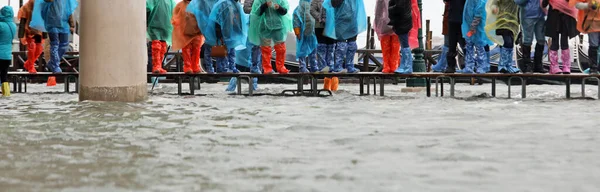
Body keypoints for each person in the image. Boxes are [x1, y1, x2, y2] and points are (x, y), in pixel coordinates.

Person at [29, 0, 77, 74]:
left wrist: (72, 25)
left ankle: (52, 63)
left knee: (64, 45)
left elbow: (68, 11)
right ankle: (55, 66)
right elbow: (43, 11)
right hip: (52, 25)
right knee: (54, 44)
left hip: (63, 25)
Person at [249, 0, 293, 74]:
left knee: (281, 49)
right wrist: (265, 5)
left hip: (278, 26)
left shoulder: (280, 0)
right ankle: (267, 69)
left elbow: (285, 11)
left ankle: (281, 67)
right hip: (264, 27)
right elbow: (256, 12)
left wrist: (279, 8)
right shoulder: (260, 1)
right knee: (265, 49)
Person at [323, 0, 367, 74]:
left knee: (352, 45)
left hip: (352, 21)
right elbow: (333, 4)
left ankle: (350, 66)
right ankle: (338, 67)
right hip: (341, 21)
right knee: (341, 46)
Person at [542, 0, 578, 74]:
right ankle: (554, 66)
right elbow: (544, 4)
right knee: (554, 42)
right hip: (554, 18)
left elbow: (572, 2)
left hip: (565, 18)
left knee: (564, 42)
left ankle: (566, 66)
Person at [485, 0, 520, 73]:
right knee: (507, 42)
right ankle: (502, 65)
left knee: (510, 42)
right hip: (502, 21)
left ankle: (508, 65)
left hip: (513, 22)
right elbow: (494, 3)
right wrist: (494, 8)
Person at [311, 0, 338, 90]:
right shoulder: (315, 1)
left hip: (332, 27)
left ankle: (333, 86)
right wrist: (320, 18)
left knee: (331, 49)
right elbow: (312, 10)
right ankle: (323, 68)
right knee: (322, 48)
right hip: (320, 27)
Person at [172, 0, 204, 74]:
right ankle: (188, 67)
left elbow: (202, 17)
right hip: (185, 33)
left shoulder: (198, 4)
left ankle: (195, 66)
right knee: (186, 50)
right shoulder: (180, 5)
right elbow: (175, 17)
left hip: (197, 32)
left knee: (196, 50)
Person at [459, 0, 492, 73]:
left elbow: (479, 13)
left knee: (479, 46)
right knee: (469, 46)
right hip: (468, 26)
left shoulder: (481, 1)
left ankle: (482, 66)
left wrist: (473, 26)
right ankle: (469, 67)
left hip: (477, 27)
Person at [515, 0, 547, 73]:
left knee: (541, 39)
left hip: (541, 15)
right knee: (527, 39)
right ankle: (527, 65)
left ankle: (538, 65)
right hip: (527, 15)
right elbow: (517, 1)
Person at [187, 0, 219, 73]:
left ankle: (211, 68)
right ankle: (213, 68)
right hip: (208, 29)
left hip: (205, 30)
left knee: (209, 49)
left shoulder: (197, 4)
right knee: (210, 49)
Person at [572, 0, 600, 74]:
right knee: (593, 46)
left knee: (594, 46)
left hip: (592, 24)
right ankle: (593, 68)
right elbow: (577, 4)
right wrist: (588, 6)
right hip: (592, 24)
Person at [147, 0, 175, 74]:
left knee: (163, 47)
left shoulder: (171, 1)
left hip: (165, 26)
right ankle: (156, 66)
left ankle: (159, 66)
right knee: (156, 46)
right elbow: (147, 8)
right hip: (156, 25)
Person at [18, 0, 44, 74]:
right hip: (29, 31)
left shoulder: (41, 6)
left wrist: (45, 34)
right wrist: (21, 35)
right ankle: (31, 66)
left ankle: (28, 63)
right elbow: (22, 22)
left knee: (39, 50)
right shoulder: (25, 7)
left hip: (39, 31)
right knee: (32, 49)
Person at [374, 0, 400, 73]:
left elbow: (378, 10)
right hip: (396, 23)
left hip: (384, 23)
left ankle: (387, 66)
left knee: (386, 49)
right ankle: (394, 66)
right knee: (395, 48)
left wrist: (377, 23)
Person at [293, 0, 319, 73]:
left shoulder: (313, 6)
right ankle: (303, 67)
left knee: (313, 50)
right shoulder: (298, 9)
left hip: (312, 33)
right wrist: (297, 32)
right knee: (302, 51)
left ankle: (313, 67)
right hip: (302, 33)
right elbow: (296, 20)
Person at [445, 0, 467, 73]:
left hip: (459, 19)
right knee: (461, 45)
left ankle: (451, 66)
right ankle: (469, 65)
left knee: (458, 45)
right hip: (458, 19)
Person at [0, 6, 16, 97]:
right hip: (7, 56)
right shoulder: (13, 25)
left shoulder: (1, 25)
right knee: (4, 75)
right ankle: (6, 94)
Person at [244, 0, 262, 75]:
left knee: (262, 49)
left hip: (263, 25)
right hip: (254, 25)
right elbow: (246, 9)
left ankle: (259, 70)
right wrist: (259, 10)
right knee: (255, 47)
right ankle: (254, 68)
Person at [431, 1, 450, 72]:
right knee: (448, 44)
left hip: (451, 23)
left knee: (447, 44)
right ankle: (443, 64)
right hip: (450, 22)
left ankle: (442, 65)